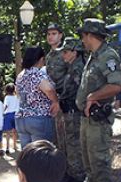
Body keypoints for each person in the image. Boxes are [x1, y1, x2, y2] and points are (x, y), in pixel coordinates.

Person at [74, 18, 121, 182]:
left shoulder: (108, 56)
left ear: (90, 35)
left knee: (99, 158)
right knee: (88, 156)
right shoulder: (94, 56)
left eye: (83, 36)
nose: (82, 40)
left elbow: (116, 85)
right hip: (87, 117)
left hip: (98, 118)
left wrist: (93, 97)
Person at [58, 38, 86, 182]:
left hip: (75, 113)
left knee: (75, 148)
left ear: (75, 52)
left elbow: (79, 92)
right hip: (69, 112)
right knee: (69, 147)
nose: (63, 54)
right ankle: (71, 178)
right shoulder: (72, 67)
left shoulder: (79, 68)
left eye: (66, 51)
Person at [15, 47, 60, 147]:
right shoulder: (37, 74)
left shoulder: (21, 75)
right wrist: (55, 101)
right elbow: (48, 89)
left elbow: (17, 92)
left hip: (21, 118)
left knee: (27, 154)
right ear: (40, 59)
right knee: (41, 152)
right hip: (39, 117)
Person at [45, 23, 67, 154]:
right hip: (51, 101)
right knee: (56, 139)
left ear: (60, 36)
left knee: (65, 139)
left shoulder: (65, 53)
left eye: (54, 34)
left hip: (64, 100)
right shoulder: (49, 56)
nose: (50, 37)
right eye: (48, 34)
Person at [2, 83, 19, 154]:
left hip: (8, 115)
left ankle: (7, 147)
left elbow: (5, 106)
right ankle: (15, 146)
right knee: (15, 131)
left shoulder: (7, 97)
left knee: (8, 132)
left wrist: (2, 113)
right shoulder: (17, 97)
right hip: (16, 114)